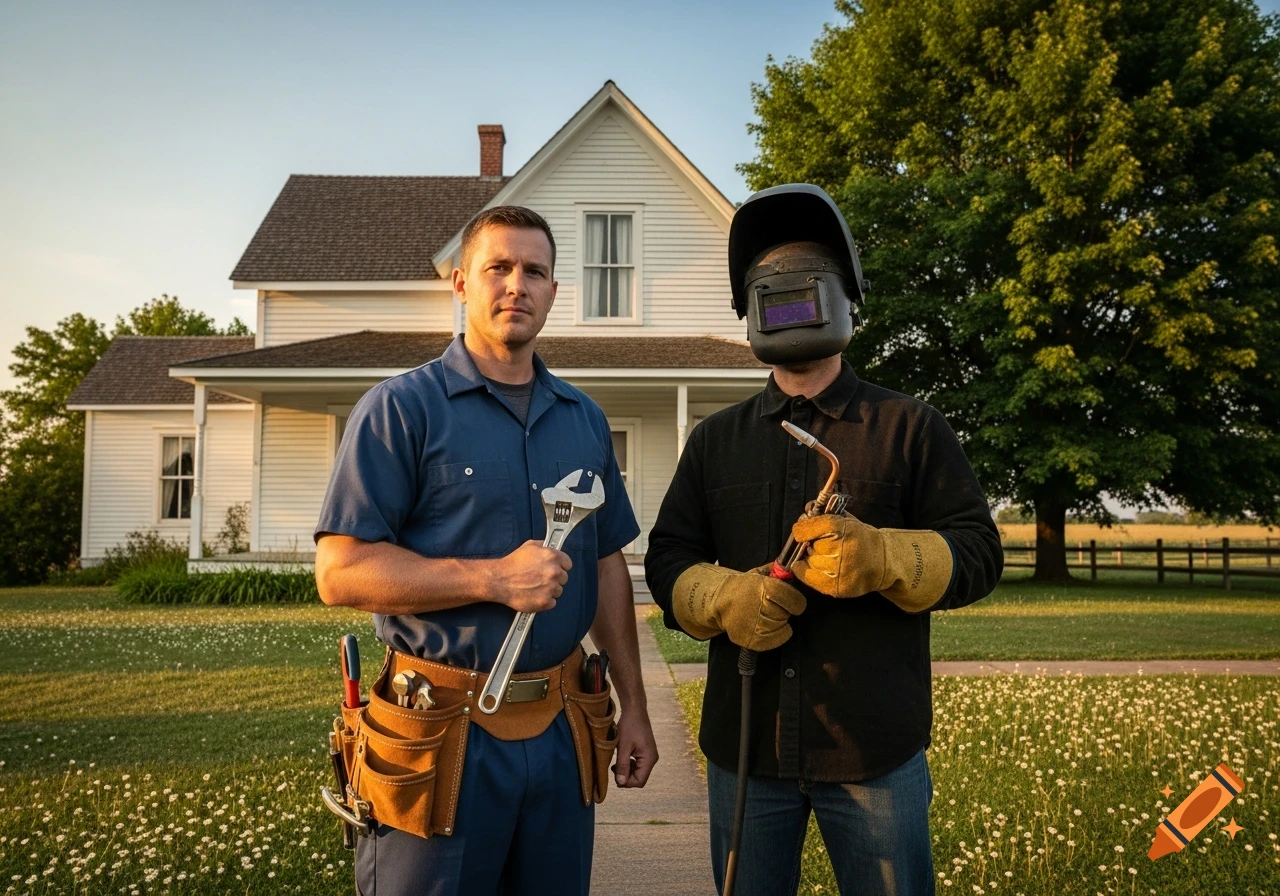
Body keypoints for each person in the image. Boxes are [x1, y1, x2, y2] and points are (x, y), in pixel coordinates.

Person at [645, 184, 1003, 896]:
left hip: (874, 750)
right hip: (746, 749)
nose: (787, 310)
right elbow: (668, 560)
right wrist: (721, 596)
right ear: (751, 312)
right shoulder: (716, 441)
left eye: (801, 294)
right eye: (771, 299)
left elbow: (980, 553)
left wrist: (891, 558)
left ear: (844, 302)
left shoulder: (911, 428)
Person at [315, 205, 658, 896]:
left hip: (563, 729)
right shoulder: (401, 409)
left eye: (534, 271)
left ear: (554, 293)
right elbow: (340, 569)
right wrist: (494, 578)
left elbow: (605, 564)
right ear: (462, 284)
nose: (516, 285)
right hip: (440, 734)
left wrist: (636, 707)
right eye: (497, 267)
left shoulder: (583, 418)